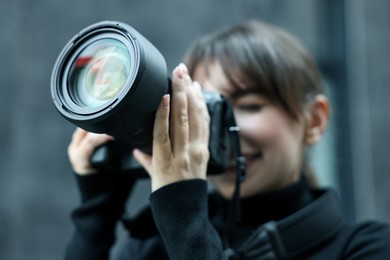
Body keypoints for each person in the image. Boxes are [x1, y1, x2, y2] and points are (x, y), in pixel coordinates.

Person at [65, 20, 390, 259]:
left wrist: (181, 207)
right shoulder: (154, 243)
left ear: (314, 120)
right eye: (202, 108)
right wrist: (96, 215)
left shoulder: (367, 248)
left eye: (248, 106)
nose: (213, 126)